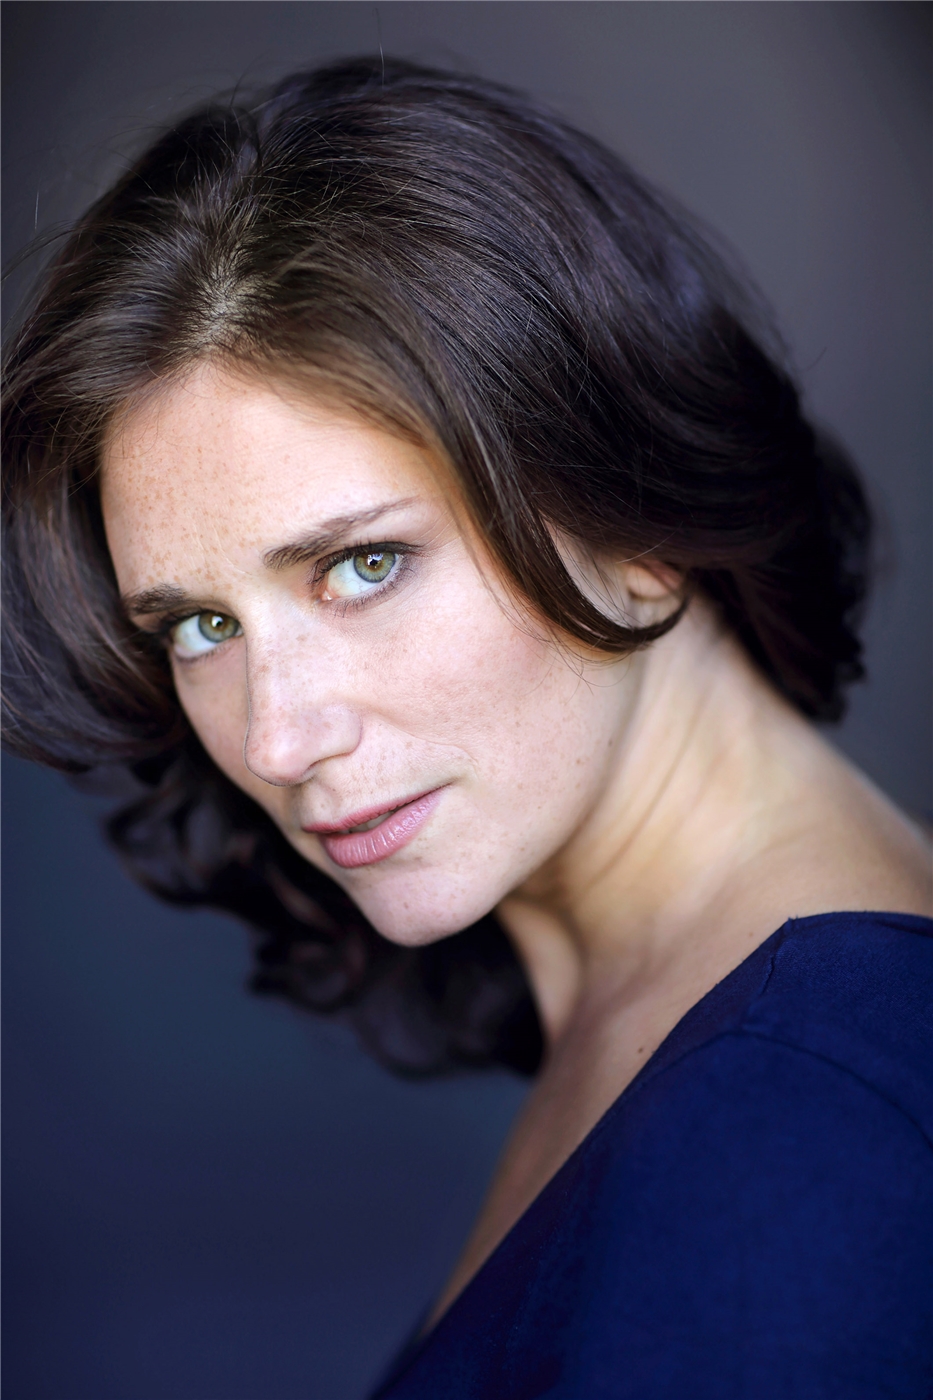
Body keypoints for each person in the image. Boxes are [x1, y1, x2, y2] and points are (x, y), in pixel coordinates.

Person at [3, 57, 930, 1399]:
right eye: (200, 625)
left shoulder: (803, 1119)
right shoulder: (695, 1024)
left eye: (363, 565)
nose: (276, 741)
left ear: (637, 520)